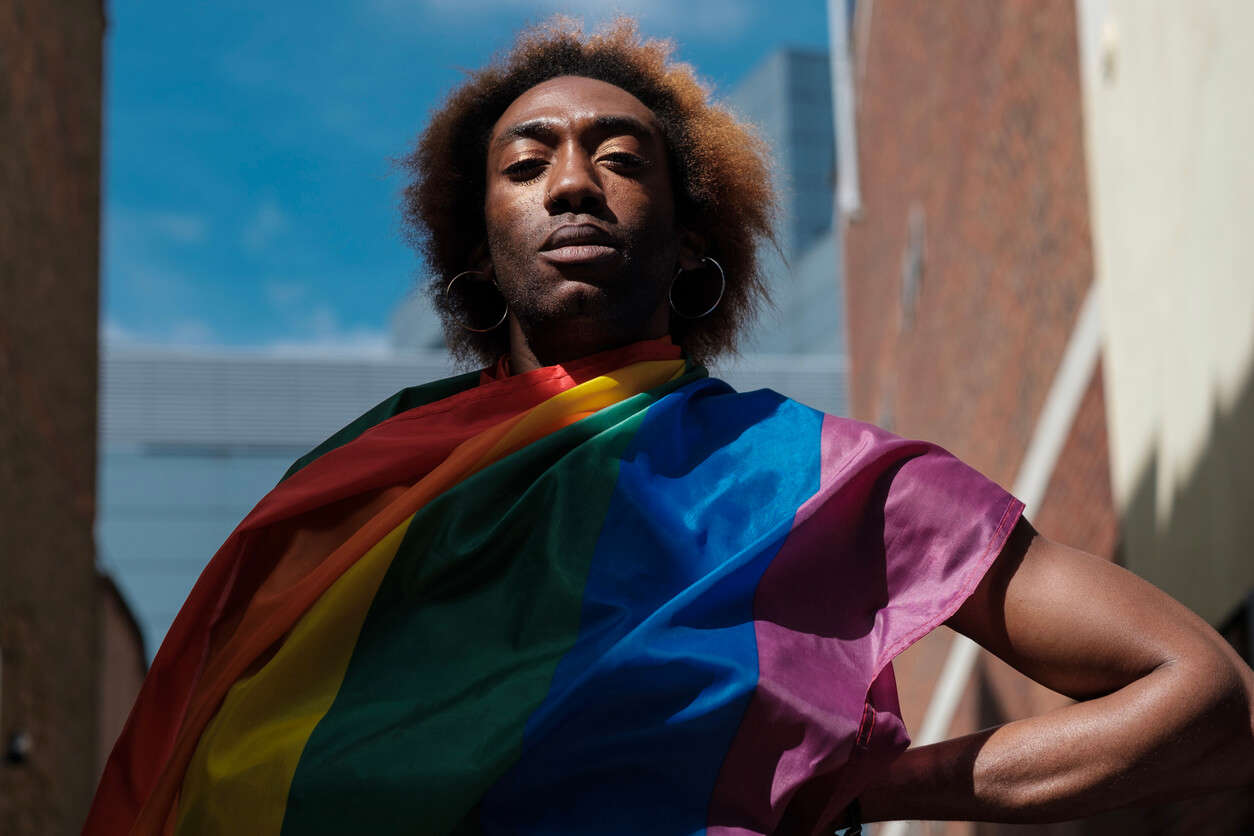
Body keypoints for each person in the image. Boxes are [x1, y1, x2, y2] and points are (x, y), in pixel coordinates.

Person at [86, 18, 1254, 836]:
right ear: (477, 244)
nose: (574, 182)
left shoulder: (824, 477)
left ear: (695, 236)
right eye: (527, 162)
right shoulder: (358, 490)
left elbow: (1200, 690)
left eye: (620, 158)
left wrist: (875, 786)